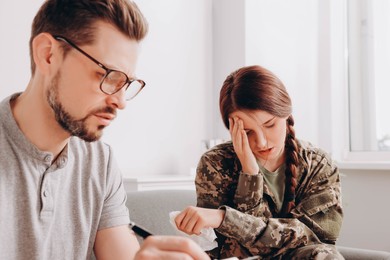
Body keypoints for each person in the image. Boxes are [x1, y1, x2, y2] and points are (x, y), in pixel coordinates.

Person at [0, 0, 209, 259]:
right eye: (108, 75)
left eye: (126, 83)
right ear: (48, 55)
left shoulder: (99, 162)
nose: (120, 102)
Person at [175, 65, 344, 259]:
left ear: (286, 114)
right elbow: (229, 250)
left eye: (269, 124)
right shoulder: (215, 164)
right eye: (247, 132)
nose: (262, 142)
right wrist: (250, 174)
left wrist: (225, 218)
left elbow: (316, 240)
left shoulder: (319, 164)